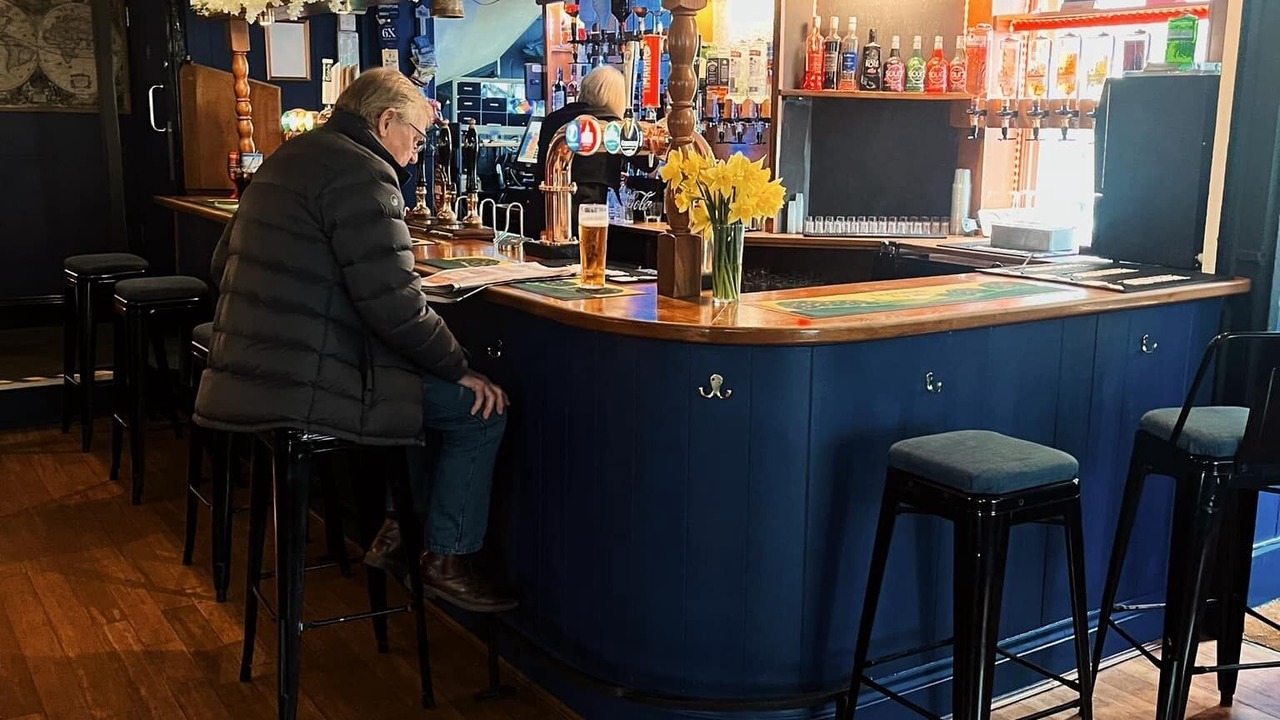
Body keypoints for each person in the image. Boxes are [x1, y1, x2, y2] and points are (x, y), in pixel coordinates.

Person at [195, 67, 515, 612]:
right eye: (415, 137)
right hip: (307, 385)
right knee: (477, 410)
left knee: (403, 386)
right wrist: (458, 366)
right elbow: (394, 307)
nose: (416, 153)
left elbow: (220, 262)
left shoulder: (285, 158)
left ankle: (396, 529)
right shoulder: (365, 173)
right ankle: (444, 556)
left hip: (251, 374)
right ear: (386, 120)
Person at [532, 65, 628, 238]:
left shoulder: (554, 118)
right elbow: (648, 163)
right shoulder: (611, 125)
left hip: (543, 212)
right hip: (586, 216)